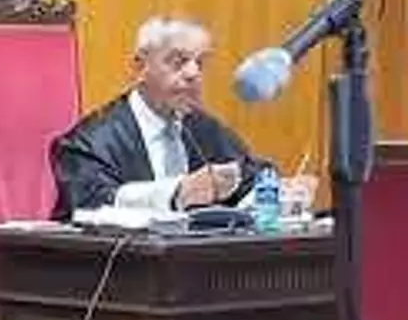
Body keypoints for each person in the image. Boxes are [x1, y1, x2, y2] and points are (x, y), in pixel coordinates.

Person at [50, 16, 319, 219]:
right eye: (178, 62)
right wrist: (177, 193)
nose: (193, 74)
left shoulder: (204, 129)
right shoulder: (88, 142)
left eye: (200, 63)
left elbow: (248, 177)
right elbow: (91, 207)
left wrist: (279, 193)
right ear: (140, 67)